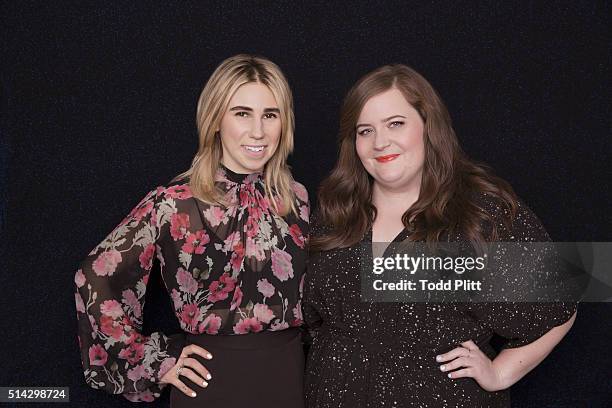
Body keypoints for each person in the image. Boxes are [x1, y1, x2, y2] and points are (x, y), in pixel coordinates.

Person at [303, 64, 577, 407]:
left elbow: (559, 304)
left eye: (395, 124)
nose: (380, 142)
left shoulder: (478, 215)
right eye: (365, 130)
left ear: (428, 126)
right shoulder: (334, 214)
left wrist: (500, 373)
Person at [74, 54, 310, 407]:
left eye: (270, 115)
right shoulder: (173, 204)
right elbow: (93, 277)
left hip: (288, 381)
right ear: (215, 119)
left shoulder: (297, 199)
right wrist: (154, 359)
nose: (258, 130)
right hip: (208, 386)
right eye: (242, 113)